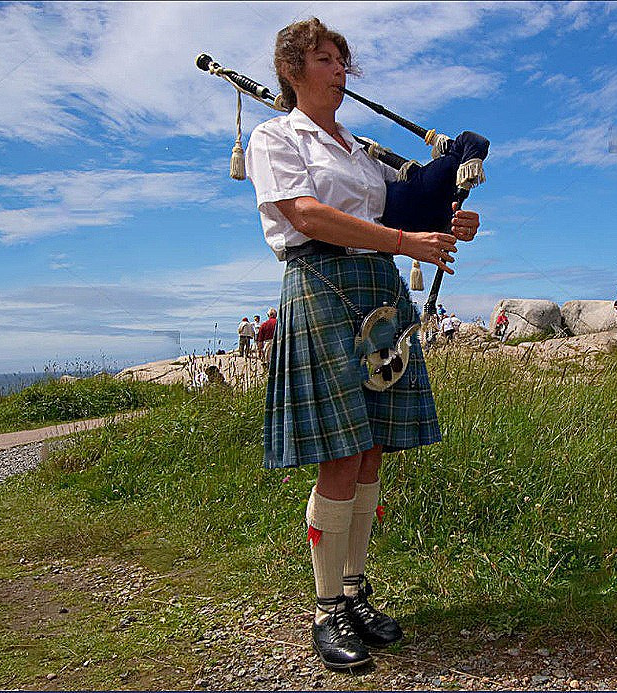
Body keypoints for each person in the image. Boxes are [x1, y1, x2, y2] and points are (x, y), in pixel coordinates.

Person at [244, 17, 480, 673]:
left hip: (377, 287)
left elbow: (392, 214)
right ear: (293, 68)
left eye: (344, 60)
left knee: (372, 445)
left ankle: (353, 592)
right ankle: (325, 610)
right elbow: (307, 214)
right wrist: (408, 243)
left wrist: (450, 218)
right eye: (326, 59)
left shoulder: (358, 148)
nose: (340, 71)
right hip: (320, 283)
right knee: (340, 452)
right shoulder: (274, 137)